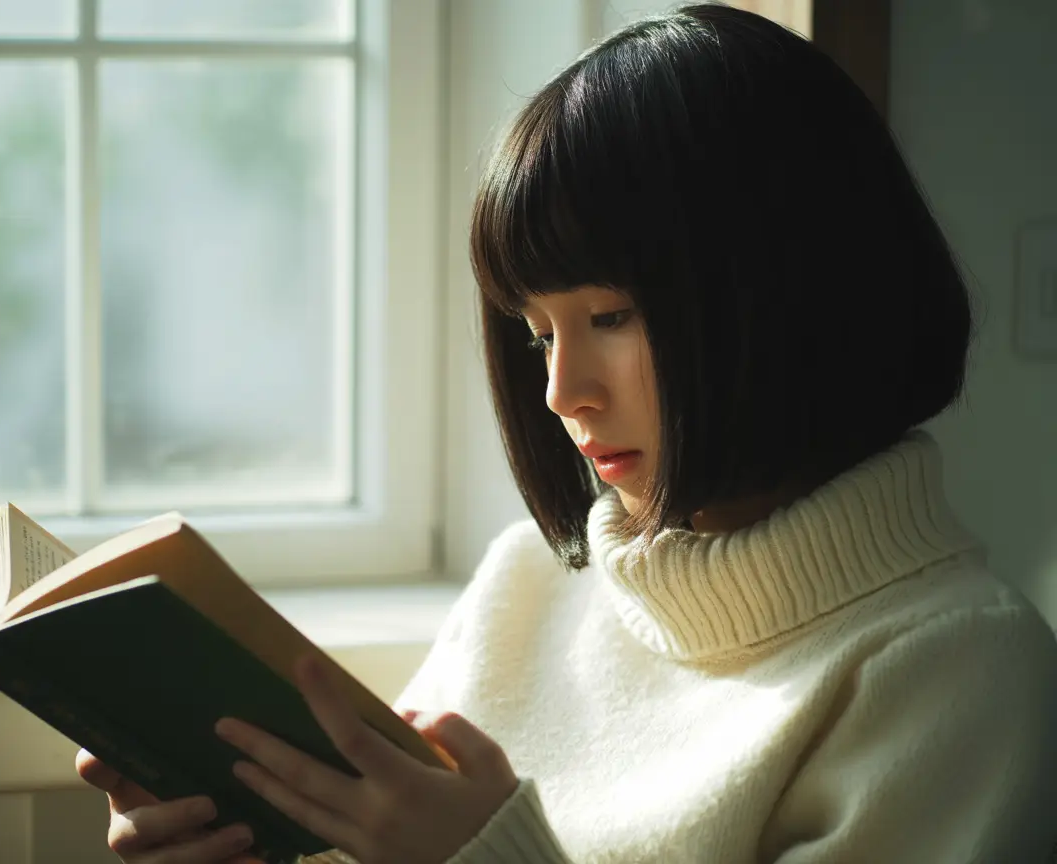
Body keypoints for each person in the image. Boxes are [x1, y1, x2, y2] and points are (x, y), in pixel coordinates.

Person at [77, 5, 1057, 863]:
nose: (560, 393)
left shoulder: (958, 670)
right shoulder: (526, 587)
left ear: (789, 291)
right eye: (538, 333)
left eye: (612, 316)